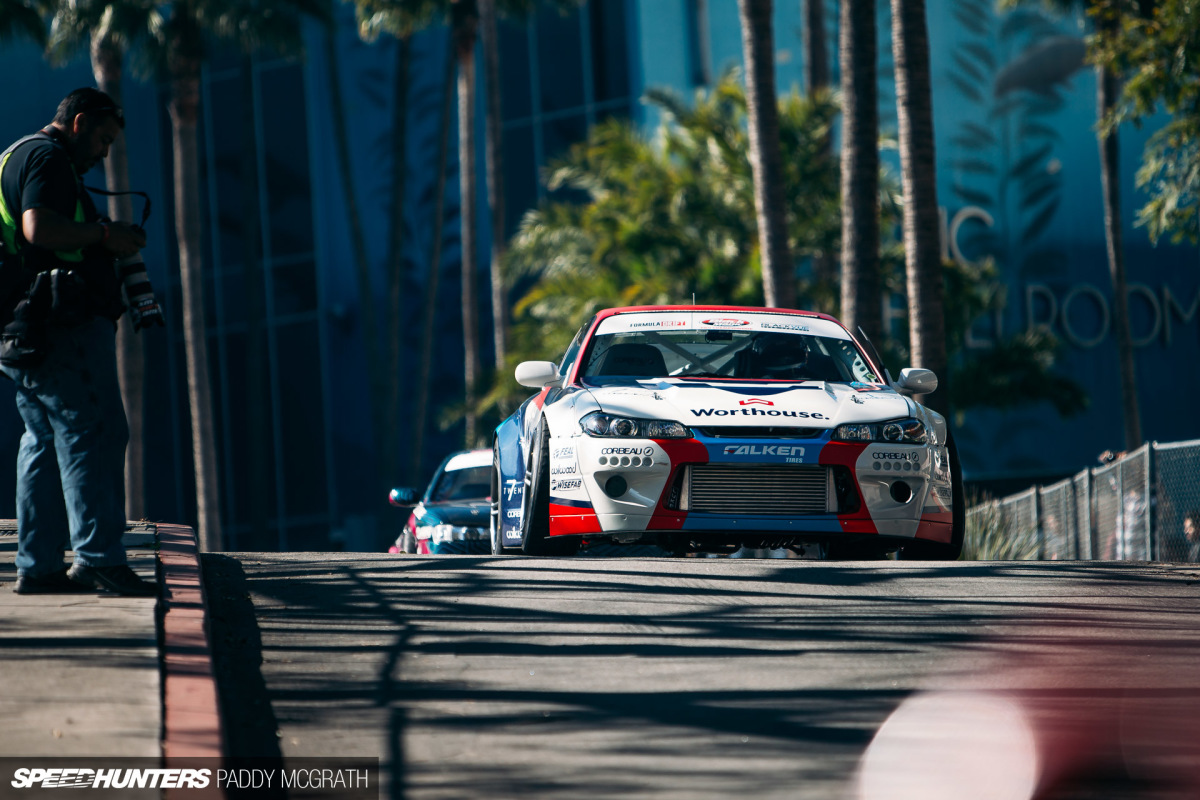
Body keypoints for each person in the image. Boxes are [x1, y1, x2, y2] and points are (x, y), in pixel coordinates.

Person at [1, 88, 162, 596]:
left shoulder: (15, 154)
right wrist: (104, 237)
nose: (105, 153)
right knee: (93, 430)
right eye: (103, 138)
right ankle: (97, 558)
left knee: (44, 442)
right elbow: (38, 229)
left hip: (21, 325)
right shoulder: (47, 158)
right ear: (79, 123)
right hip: (59, 324)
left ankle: (40, 564)